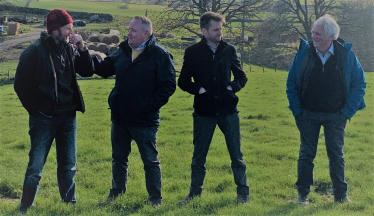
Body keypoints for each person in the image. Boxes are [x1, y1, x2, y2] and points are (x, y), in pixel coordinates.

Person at [14, 8, 95, 214]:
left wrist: (82, 48)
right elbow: (20, 85)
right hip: (44, 118)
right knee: (35, 167)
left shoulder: (70, 48)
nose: (71, 32)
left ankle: (69, 205)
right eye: (68, 28)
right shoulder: (34, 51)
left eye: (71, 28)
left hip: (68, 117)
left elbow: (87, 71)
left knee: (68, 166)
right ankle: (25, 207)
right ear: (55, 29)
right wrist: (36, 111)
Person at [94, 16, 176, 206]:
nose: (128, 33)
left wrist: (147, 107)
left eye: (133, 30)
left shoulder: (160, 55)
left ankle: (155, 199)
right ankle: (116, 194)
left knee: (150, 160)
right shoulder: (123, 51)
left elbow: (168, 86)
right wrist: (82, 51)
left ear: (146, 33)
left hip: (144, 120)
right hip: (120, 117)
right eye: (129, 29)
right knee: (119, 159)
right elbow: (104, 69)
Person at [286, 14, 366, 205]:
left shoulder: (346, 55)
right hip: (307, 114)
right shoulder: (304, 53)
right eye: (313, 32)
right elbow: (291, 84)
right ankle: (302, 195)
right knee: (306, 155)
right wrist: (297, 112)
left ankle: (340, 195)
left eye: (318, 33)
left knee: (336, 156)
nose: (313, 36)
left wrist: (346, 113)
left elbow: (359, 84)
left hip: (336, 115)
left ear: (331, 36)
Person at [178, 12, 249, 204]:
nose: (220, 33)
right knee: (199, 156)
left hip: (228, 111)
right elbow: (183, 81)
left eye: (221, 29)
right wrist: (198, 90)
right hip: (204, 112)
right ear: (204, 30)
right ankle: (194, 194)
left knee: (237, 155)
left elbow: (242, 77)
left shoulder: (229, 50)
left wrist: (232, 87)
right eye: (216, 29)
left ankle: (243, 194)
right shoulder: (192, 52)